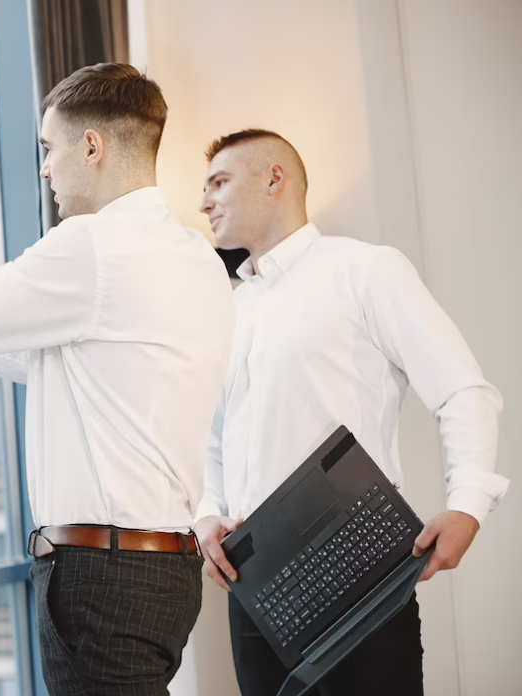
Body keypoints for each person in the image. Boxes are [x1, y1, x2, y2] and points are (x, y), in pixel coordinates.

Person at [0, 63, 235, 695]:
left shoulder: (90, 246)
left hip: (101, 574)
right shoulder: (195, 257)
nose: (45, 169)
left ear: (91, 146)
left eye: (49, 148)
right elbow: (45, 359)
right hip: (165, 572)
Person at [194, 129, 510, 696]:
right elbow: (213, 439)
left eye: (219, 182)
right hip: (255, 588)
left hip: (360, 573)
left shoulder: (366, 270)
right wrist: (206, 516)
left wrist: (469, 506)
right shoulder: (227, 309)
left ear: (274, 178)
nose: (203, 202)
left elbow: (464, 391)